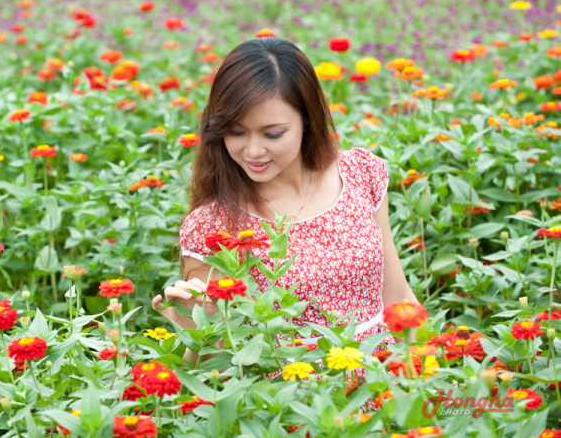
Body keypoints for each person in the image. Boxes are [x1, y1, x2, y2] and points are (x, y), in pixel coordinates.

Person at [151, 37, 420, 379]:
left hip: (383, 383)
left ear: (307, 119)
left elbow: (398, 298)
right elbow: (215, 365)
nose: (253, 150)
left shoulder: (358, 174)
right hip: (290, 403)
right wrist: (193, 324)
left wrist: (429, 381)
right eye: (236, 132)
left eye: (273, 133)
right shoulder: (213, 225)